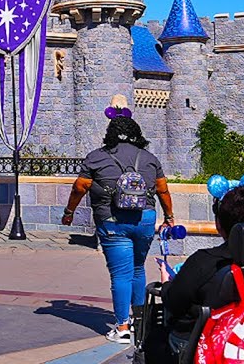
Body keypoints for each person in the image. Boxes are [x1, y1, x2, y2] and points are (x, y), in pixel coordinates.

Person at [61, 115, 175, 344]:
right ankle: (139, 322)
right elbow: (162, 190)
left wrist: (69, 212)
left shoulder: (97, 157)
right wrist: (169, 217)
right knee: (137, 268)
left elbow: (79, 187)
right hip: (144, 220)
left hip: (112, 221)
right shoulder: (150, 159)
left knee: (120, 274)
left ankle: (122, 327)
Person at [161, 185, 244, 355]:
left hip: (211, 345)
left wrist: (166, 284)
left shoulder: (203, 262)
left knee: (156, 339)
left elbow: (174, 303)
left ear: (219, 224)